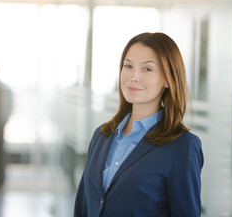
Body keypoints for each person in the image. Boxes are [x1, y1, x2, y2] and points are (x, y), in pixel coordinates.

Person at [74, 32, 204, 216]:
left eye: (147, 69)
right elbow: (83, 206)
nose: (133, 76)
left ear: (168, 79)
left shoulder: (183, 146)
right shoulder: (102, 135)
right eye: (128, 66)